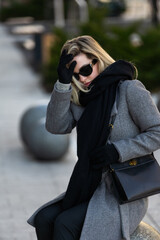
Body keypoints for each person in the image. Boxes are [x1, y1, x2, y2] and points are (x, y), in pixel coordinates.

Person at [27, 35, 160, 240]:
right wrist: (63, 84)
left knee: (64, 224)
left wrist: (117, 151)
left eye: (86, 70)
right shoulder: (82, 97)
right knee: (45, 218)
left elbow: (157, 132)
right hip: (90, 184)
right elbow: (56, 127)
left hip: (122, 191)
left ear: (97, 59)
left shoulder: (129, 89)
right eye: (74, 74)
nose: (81, 79)